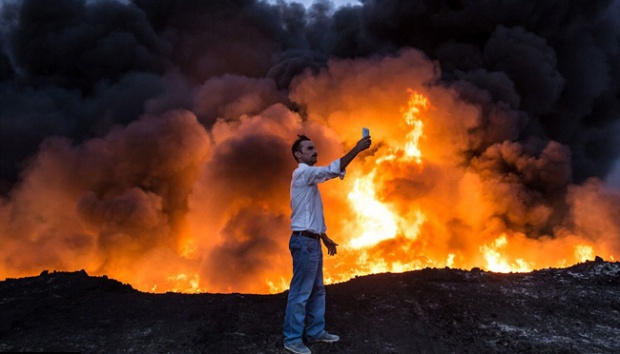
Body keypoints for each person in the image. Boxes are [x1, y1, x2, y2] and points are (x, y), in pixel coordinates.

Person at [283, 133, 372, 354]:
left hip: (311, 242)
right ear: (298, 154)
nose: (315, 151)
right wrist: (357, 148)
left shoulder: (309, 180)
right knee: (301, 293)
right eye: (309, 148)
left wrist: (324, 237)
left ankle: (315, 332)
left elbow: (310, 214)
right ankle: (292, 339)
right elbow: (331, 170)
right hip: (304, 243)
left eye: (315, 148)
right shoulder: (302, 173)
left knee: (317, 290)